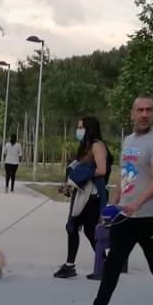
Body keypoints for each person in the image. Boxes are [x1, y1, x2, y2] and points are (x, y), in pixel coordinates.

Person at [70, 94, 153, 305]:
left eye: (149, 110)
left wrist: (138, 202)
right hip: (124, 216)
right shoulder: (128, 141)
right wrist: (113, 205)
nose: (144, 114)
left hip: (148, 216)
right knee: (113, 264)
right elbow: (125, 176)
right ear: (132, 113)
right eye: (140, 110)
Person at [53, 116, 109, 280]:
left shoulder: (97, 146)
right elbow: (78, 171)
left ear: (89, 128)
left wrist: (82, 175)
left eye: (81, 127)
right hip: (81, 193)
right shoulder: (84, 147)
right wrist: (68, 186)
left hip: (92, 195)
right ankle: (70, 265)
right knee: (72, 227)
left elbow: (102, 170)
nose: (78, 130)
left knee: (90, 230)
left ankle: (104, 264)